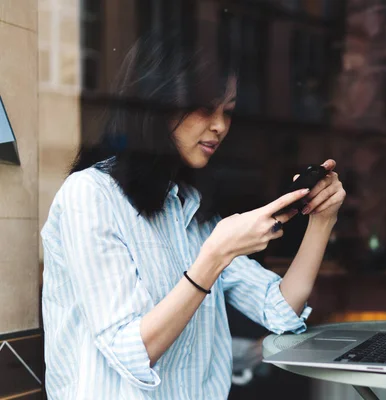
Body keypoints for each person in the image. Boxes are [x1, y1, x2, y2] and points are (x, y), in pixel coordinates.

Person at [40, 32, 345, 399]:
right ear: (156, 103)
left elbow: (279, 309)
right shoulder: (89, 196)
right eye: (206, 107)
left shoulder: (190, 206)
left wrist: (322, 220)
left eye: (228, 110)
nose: (220, 125)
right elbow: (132, 350)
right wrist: (214, 256)